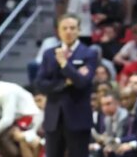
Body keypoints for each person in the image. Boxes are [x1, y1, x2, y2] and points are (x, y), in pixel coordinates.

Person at [35, 14, 98, 157]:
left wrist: (64, 63)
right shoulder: (49, 54)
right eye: (64, 28)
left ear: (79, 30)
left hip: (78, 118)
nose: (68, 31)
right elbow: (40, 84)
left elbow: (82, 83)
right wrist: (65, 83)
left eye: (72, 28)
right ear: (58, 31)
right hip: (53, 118)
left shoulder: (89, 53)